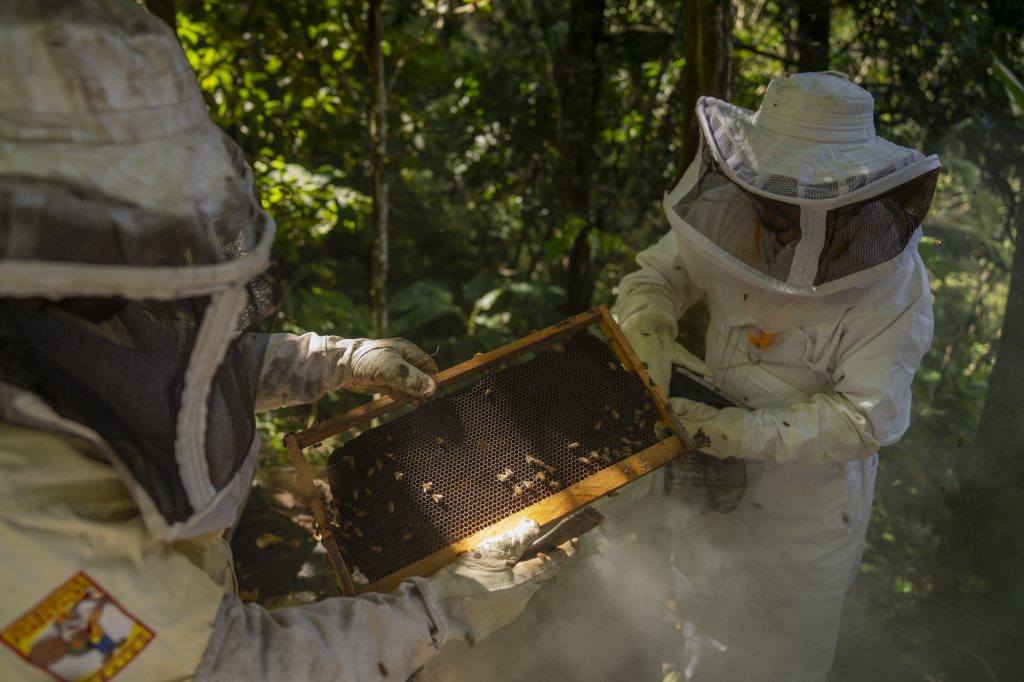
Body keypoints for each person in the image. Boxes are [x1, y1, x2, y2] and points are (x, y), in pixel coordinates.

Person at [0, 1, 573, 680]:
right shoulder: (22, 527)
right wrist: (440, 610)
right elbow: (234, 667)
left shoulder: (50, 307)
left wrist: (332, 361)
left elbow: (167, 374)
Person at [615, 71, 939, 680]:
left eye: (790, 200)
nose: (767, 215)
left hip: (804, 519)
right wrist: (649, 332)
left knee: (776, 664)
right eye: (766, 192)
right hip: (706, 486)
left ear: (843, 196)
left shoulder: (894, 283)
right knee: (703, 638)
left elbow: (865, 417)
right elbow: (655, 277)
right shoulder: (732, 210)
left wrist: (735, 432)